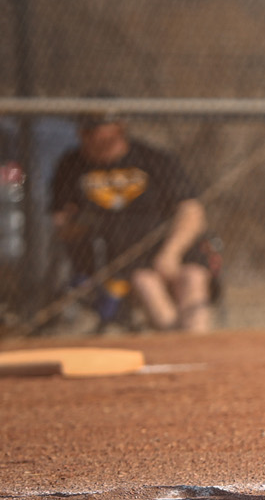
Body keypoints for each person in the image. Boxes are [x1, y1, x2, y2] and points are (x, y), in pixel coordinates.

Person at [50, 101, 218, 332]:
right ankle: (177, 340)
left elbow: (192, 211)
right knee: (145, 281)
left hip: (168, 249)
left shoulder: (153, 159)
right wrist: (80, 223)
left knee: (193, 276)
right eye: (84, 129)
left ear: (119, 127)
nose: (86, 135)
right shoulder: (71, 166)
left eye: (94, 128)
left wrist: (171, 253)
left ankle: (195, 343)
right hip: (117, 260)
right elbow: (61, 224)